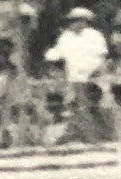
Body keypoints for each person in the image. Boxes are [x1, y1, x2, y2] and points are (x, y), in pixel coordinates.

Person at [44, 7, 109, 140]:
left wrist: (98, 72)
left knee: (98, 107)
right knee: (78, 108)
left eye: (81, 20)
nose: (77, 23)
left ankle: (104, 135)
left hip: (94, 77)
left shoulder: (94, 35)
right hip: (75, 78)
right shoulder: (65, 37)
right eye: (74, 20)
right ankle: (87, 137)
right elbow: (58, 56)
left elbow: (102, 55)